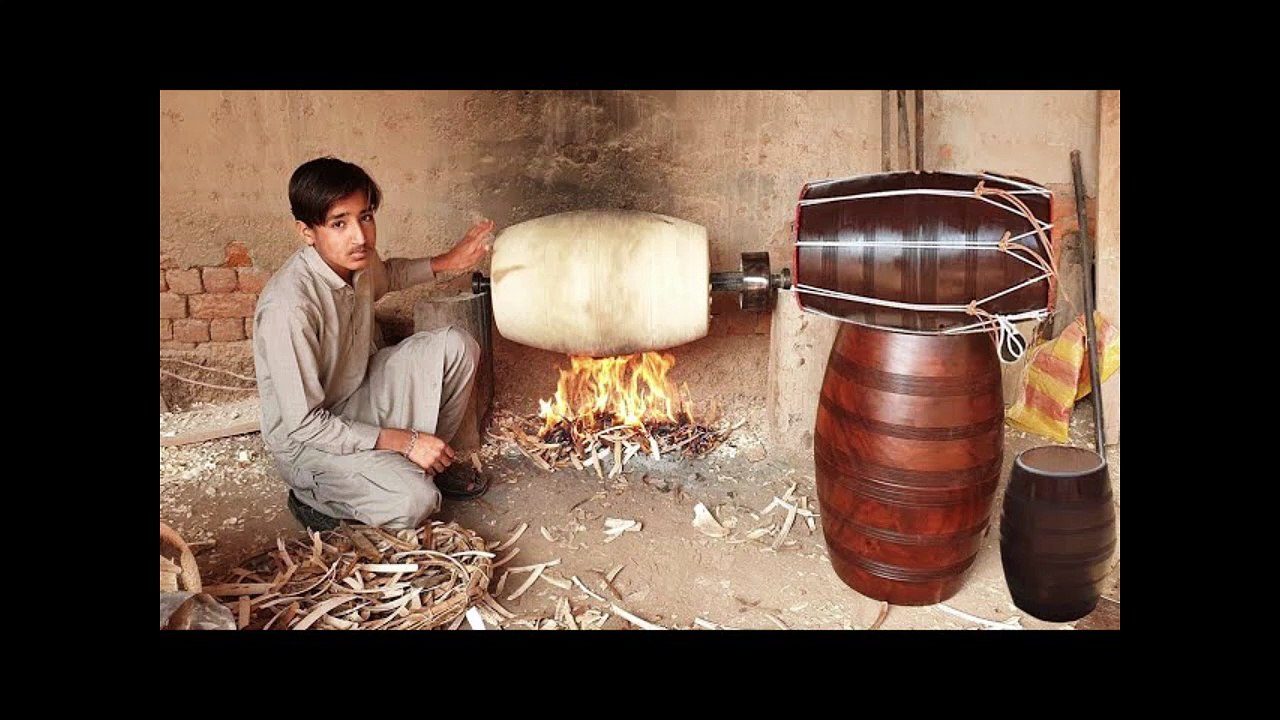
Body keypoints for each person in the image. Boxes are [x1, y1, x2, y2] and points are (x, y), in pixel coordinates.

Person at [252, 156, 495, 532]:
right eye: (339, 223)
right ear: (306, 231)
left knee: (458, 347)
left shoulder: (358, 260)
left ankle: (430, 461)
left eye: (365, 216)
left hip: (357, 397)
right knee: (416, 501)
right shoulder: (289, 307)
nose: (360, 236)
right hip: (310, 442)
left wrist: (449, 260)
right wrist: (405, 440)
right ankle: (313, 498)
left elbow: (390, 274)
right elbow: (303, 423)